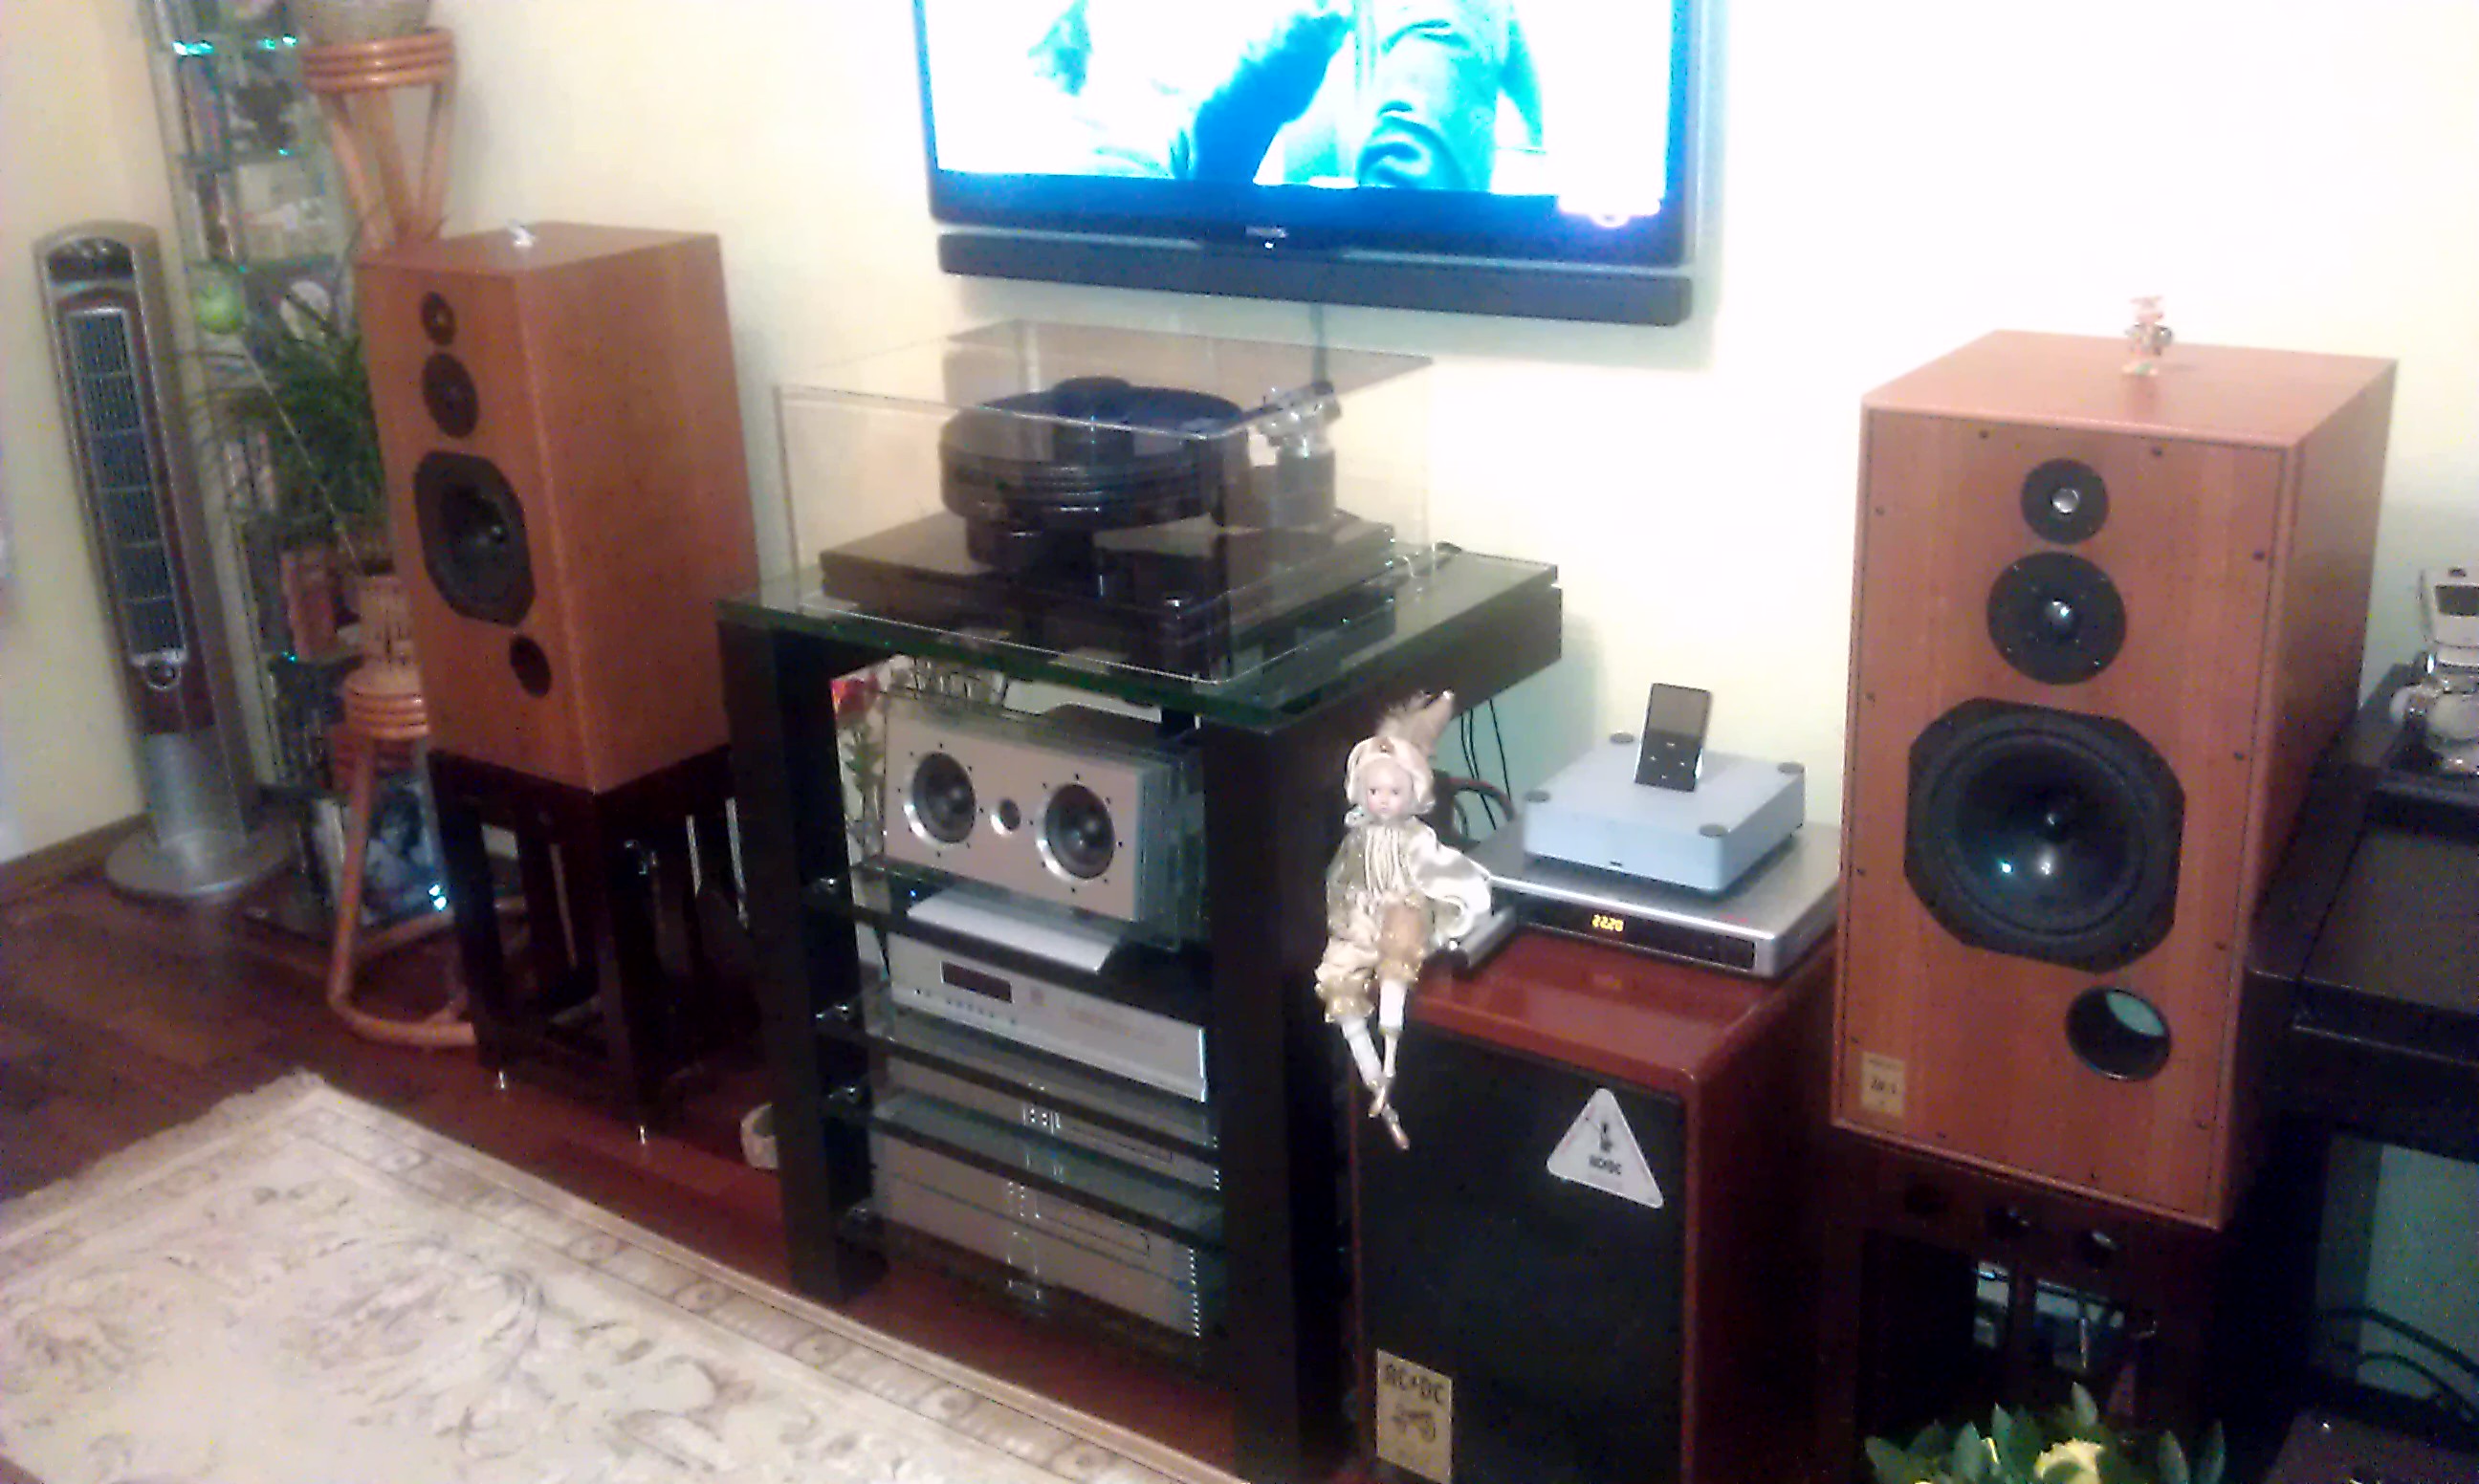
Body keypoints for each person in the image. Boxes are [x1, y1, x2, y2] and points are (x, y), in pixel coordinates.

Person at [1313, 692, 1490, 1147]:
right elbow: (1339, 879)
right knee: (1338, 979)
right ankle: (1376, 1080)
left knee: (1401, 930)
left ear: (1414, 792)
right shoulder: (1356, 838)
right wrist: (1343, 916)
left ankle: (1391, 1055)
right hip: (1361, 919)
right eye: (1374, 791)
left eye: (1394, 792)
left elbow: (1444, 871)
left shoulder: (1415, 838)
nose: (1383, 801)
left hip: (1398, 917)